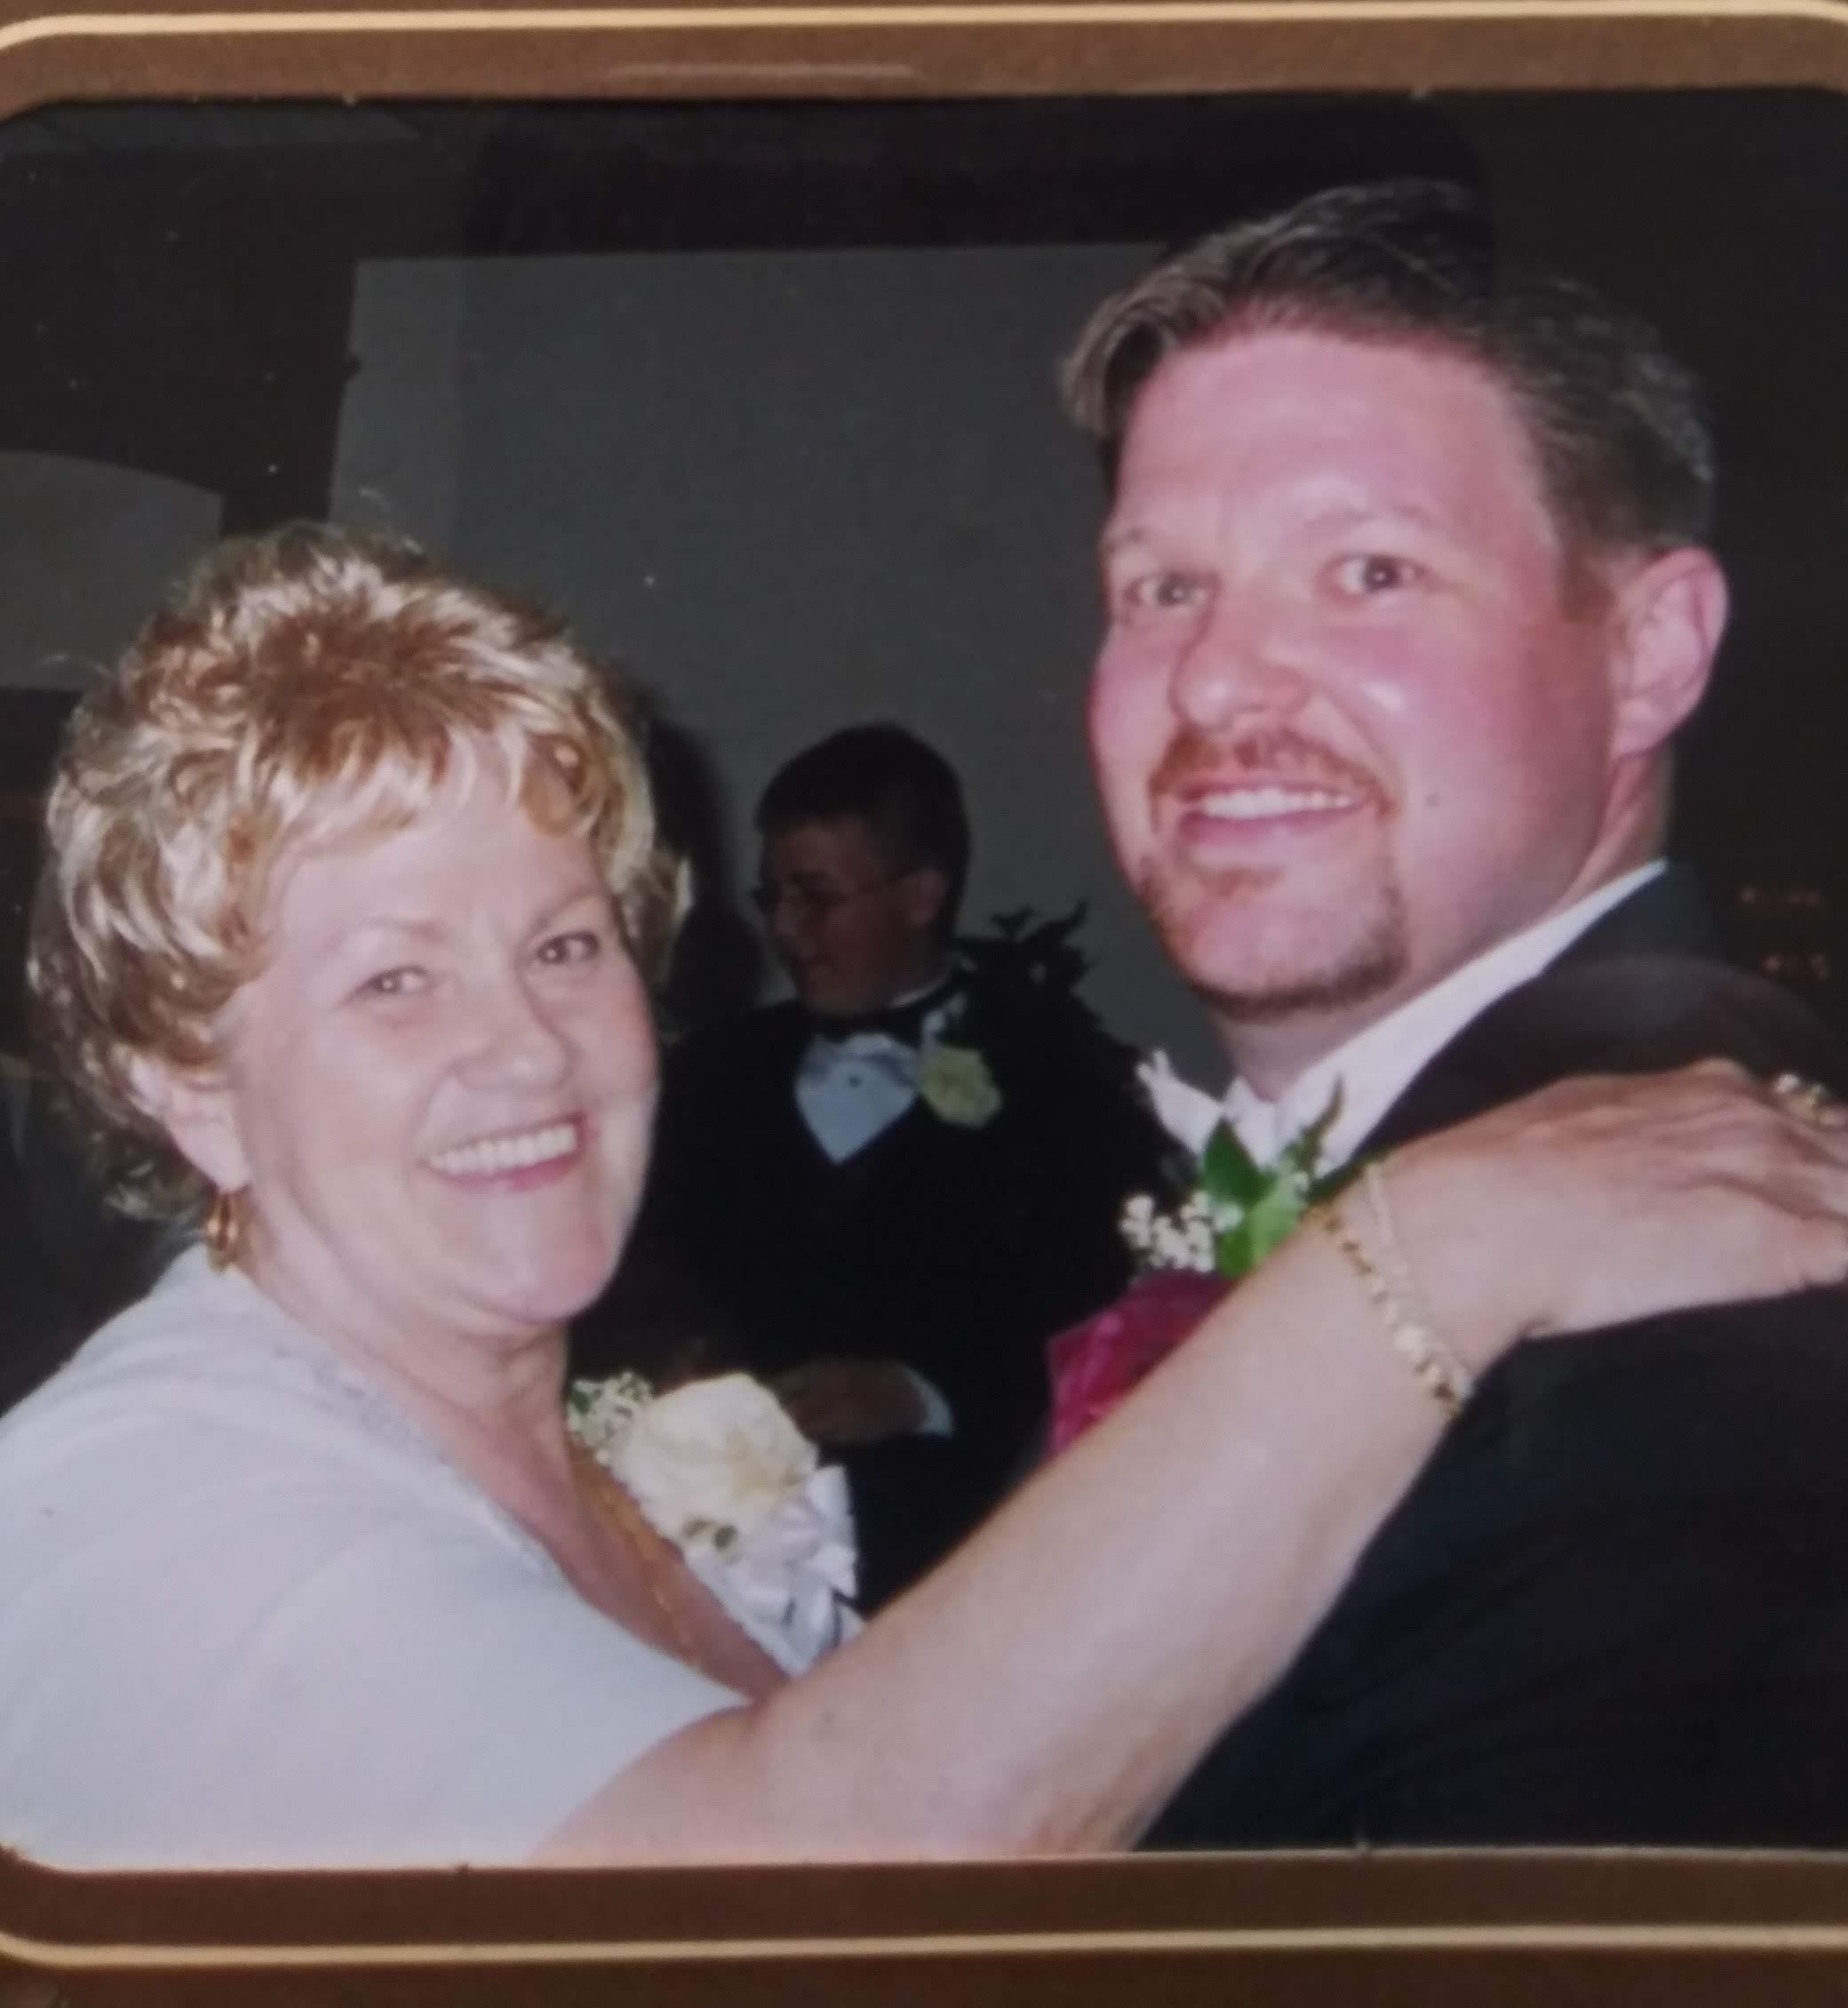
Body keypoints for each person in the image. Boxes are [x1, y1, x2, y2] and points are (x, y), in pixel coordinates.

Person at [0, 527, 1844, 1873]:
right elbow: (824, 1895)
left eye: (564, 944)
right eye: (393, 978)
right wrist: (1441, 1239)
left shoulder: (626, 1469)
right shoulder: (158, 1498)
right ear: (184, 1075)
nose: (529, 1049)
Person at [1054, 176, 1848, 1848]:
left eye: (1368, 571)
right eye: (1161, 589)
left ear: (1650, 652)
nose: (1213, 680)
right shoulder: (1446, 1173)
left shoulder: (1703, 1289)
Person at [578, 724, 1169, 1609]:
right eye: (771, 896)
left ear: (922, 894)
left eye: (816, 898)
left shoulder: (1064, 1086)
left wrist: (919, 1393)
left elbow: (1106, 1338)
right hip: (725, 1567)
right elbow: (633, 1286)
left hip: (964, 1567)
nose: (786, 931)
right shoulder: (706, 1075)